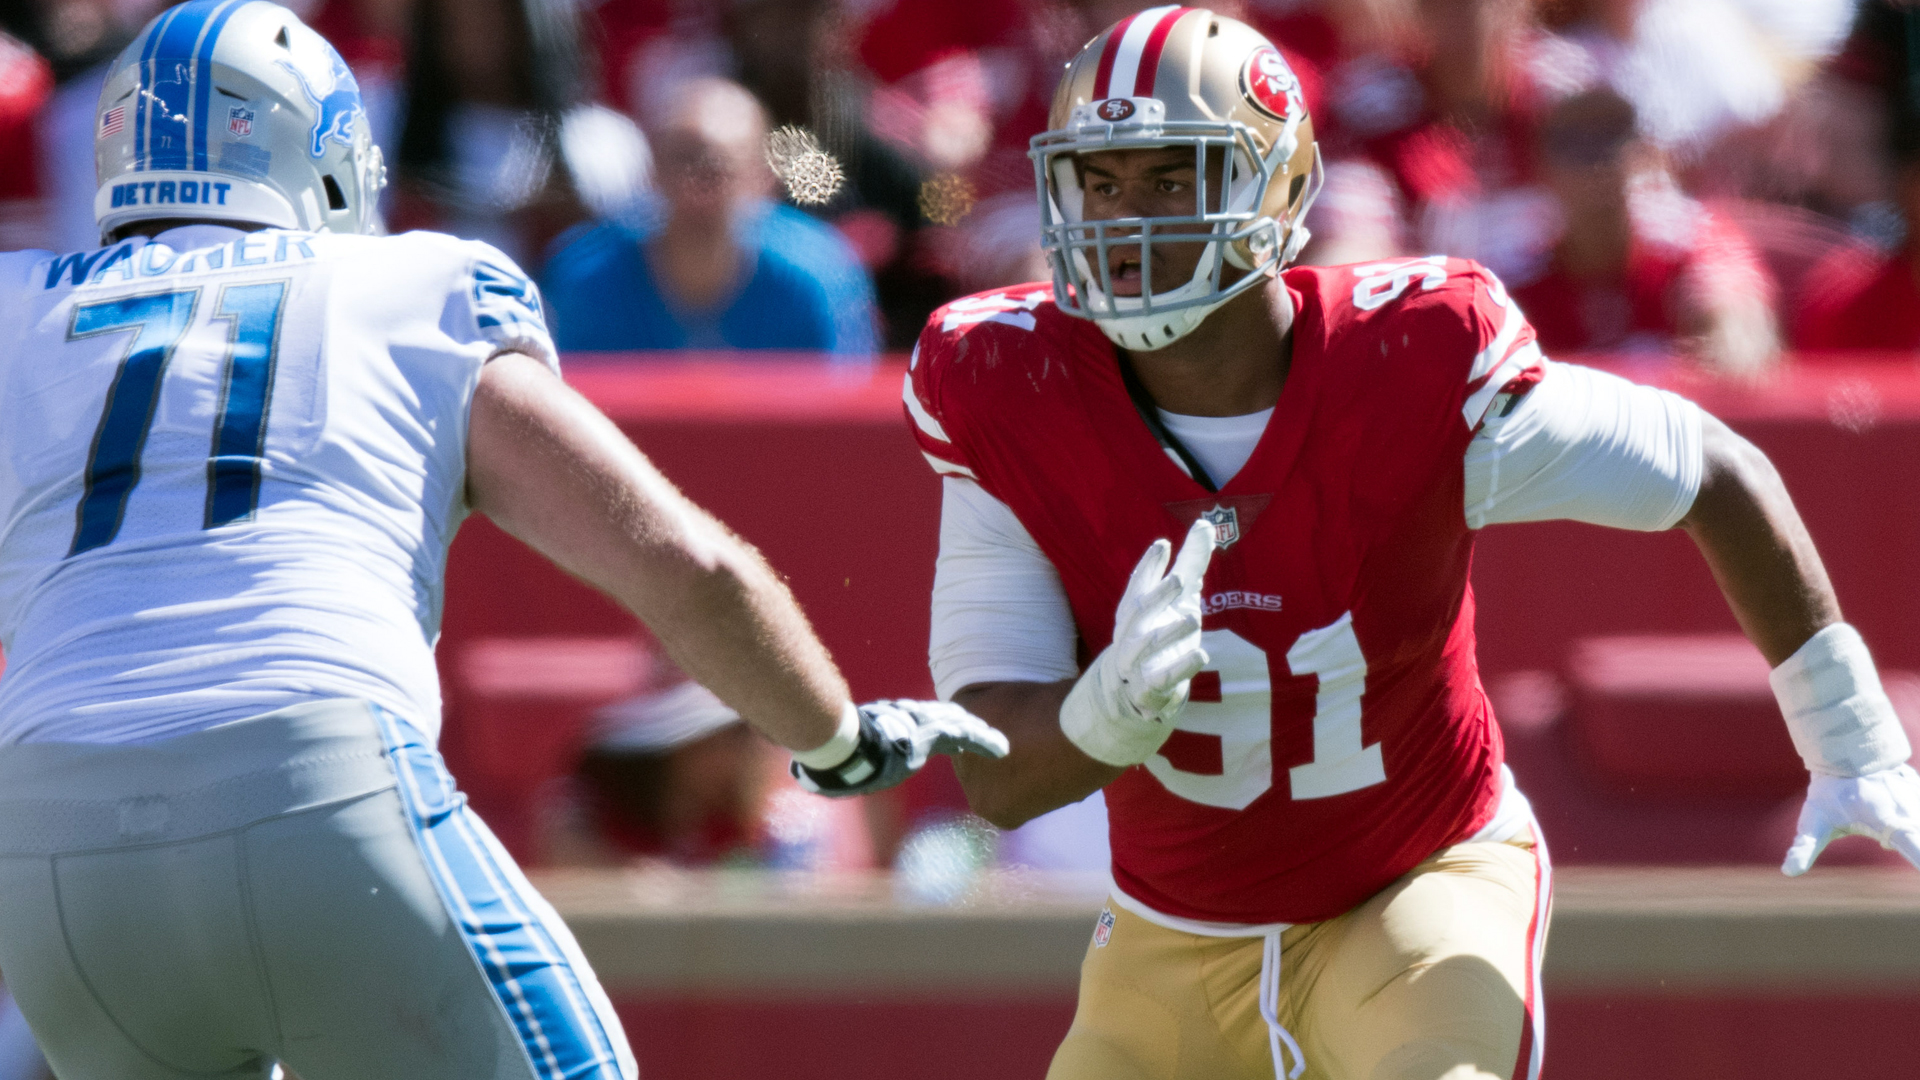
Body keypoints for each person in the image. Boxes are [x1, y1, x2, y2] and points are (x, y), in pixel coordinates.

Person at [903, 9, 1920, 1080]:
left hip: (1415, 888)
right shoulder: (1007, 383)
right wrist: (1098, 718)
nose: (1127, 221)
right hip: (1170, 935)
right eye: (1100, 182)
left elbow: (1714, 468)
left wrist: (1849, 737)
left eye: (1172, 178)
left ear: (1281, 189)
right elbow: (997, 780)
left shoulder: (1410, 361)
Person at [0, 5, 1004, 1080]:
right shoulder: (409, 291)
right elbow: (686, 565)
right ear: (322, 153)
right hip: (314, 790)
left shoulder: (17, 313)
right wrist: (837, 740)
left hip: (50, 859)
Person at [540, 76, 878, 358]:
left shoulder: (817, 276)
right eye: (682, 158)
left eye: (719, 167)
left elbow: (843, 404)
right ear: (652, 168)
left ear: (764, 177)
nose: (696, 184)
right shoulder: (585, 278)